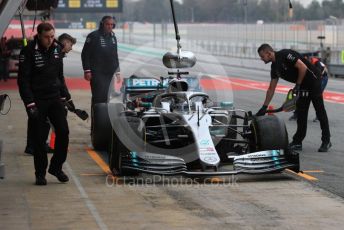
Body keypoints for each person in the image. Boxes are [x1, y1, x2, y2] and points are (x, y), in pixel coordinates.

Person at [18, 22, 74, 185]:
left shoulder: (57, 49)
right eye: (47, 37)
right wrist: (29, 104)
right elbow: (23, 81)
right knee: (39, 139)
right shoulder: (28, 51)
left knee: (63, 132)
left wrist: (66, 97)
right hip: (37, 101)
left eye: (52, 36)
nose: (50, 40)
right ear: (39, 35)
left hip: (55, 98)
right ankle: (40, 173)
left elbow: (60, 76)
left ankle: (56, 167)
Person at [256, 44, 331, 152]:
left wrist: (298, 85)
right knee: (301, 113)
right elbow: (271, 89)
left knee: (320, 111)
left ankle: (326, 140)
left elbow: (302, 67)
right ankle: (297, 142)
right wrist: (264, 107)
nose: (261, 59)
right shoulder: (274, 68)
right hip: (303, 85)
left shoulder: (285, 54)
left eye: (262, 56)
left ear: (269, 53)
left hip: (314, 80)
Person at [24, 33, 77, 156]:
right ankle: (34, 146)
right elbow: (58, 79)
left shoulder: (56, 52)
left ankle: (33, 145)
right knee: (42, 121)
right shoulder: (54, 53)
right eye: (70, 44)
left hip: (44, 92)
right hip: (41, 93)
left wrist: (66, 97)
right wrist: (66, 98)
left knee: (39, 121)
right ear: (65, 43)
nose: (71, 48)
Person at [81, 15, 121, 132]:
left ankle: (105, 124)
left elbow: (115, 56)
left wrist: (118, 71)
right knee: (98, 100)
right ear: (102, 24)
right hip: (97, 73)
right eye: (107, 24)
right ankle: (96, 126)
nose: (110, 27)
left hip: (109, 74)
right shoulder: (93, 36)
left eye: (111, 25)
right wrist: (87, 70)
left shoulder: (113, 37)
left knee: (108, 99)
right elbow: (85, 54)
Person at [289, 55, 329, 122]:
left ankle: (319, 116)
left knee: (316, 96)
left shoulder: (316, 63)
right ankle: (296, 114)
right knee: (301, 94)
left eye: (305, 61)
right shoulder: (301, 63)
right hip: (312, 78)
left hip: (322, 78)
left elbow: (318, 75)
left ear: (309, 59)